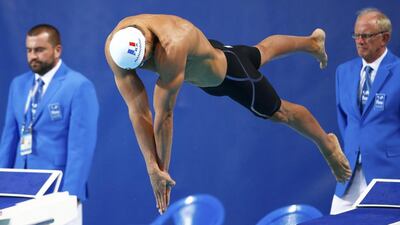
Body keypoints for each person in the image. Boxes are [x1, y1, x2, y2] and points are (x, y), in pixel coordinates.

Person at [104, 14, 352, 214]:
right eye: (139, 65)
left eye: (146, 60)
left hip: (231, 77)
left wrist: (162, 171)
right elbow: (137, 110)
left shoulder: (172, 46)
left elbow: (164, 116)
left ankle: (327, 144)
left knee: (279, 112)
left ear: (147, 42)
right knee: (259, 52)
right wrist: (151, 166)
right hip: (210, 60)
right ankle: (312, 43)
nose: (146, 66)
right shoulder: (115, 47)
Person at [0, 24, 99, 224]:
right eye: (28, 50)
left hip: (58, 190)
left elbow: (81, 148)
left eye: (39, 50)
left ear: (57, 50)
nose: (32, 56)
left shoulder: (78, 86)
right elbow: (9, 139)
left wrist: (70, 196)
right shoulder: (18, 85)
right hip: (18, 190)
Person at [331, 8, 400, 214]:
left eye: (366, 36)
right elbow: (345, 121)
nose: (360, 41)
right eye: (356, 35)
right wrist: (356, 148)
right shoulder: (343, 72)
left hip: (388, 175)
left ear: (384, 38)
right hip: (348, 177)